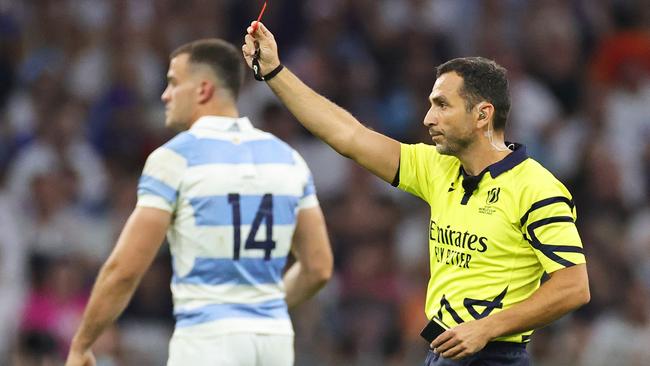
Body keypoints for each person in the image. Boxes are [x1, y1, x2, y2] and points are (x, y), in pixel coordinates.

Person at [242, 22, 590, 366]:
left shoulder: (536, 187)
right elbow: (347, 134)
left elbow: (574, 286)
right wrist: (274, 72)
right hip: (444, 350)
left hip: (495, 355)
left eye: (442, 105)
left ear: (483, 115)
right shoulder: (436, 167)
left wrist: (487, 328)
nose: (427, 118)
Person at [65, 38, 333, 366]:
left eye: (174, 83)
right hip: (273, 342)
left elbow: (124, 269)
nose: (165, 95)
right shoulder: (287, 158)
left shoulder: (175, 159)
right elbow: (318, 267)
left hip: (208, 340)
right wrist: (265, 307)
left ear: (203, 90)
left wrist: (82, 343)